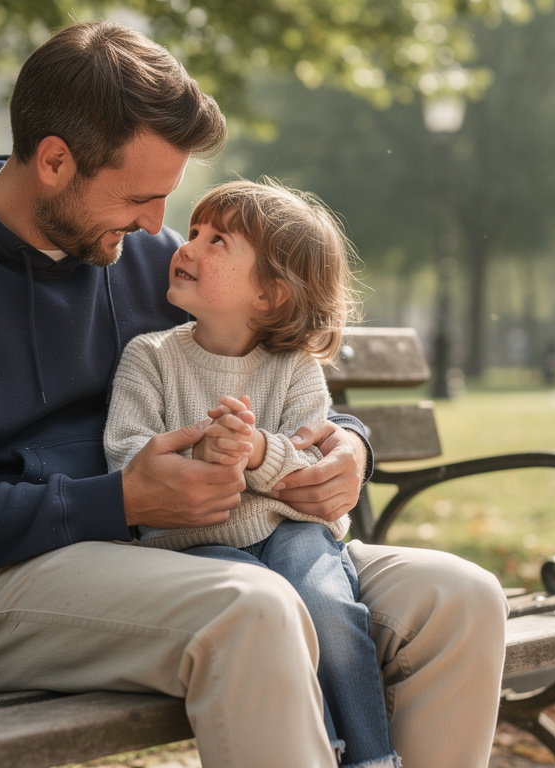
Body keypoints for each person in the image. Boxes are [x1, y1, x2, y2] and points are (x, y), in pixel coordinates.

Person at [0, 19, 507, 768]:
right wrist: (121, 501)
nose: (160, 227)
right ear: (55, 161)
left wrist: (347, 445)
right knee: (250, 611)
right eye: (142, 197)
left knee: (459, 598)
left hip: (192, 548)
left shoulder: (141, 255)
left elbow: (261, 363)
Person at [103, 179, 394, 767]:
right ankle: (318, 753)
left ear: (270, 296)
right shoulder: (149, 357)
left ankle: (371, 759)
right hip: (196, 546)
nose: (185, 247)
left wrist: (257, 450)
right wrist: (201, 461)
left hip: (291, 532)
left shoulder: (293, 369)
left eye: (217, 242)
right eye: (194, 232)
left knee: (329, 612)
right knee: (274, 617)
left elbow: (316, 463)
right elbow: (126, 454)